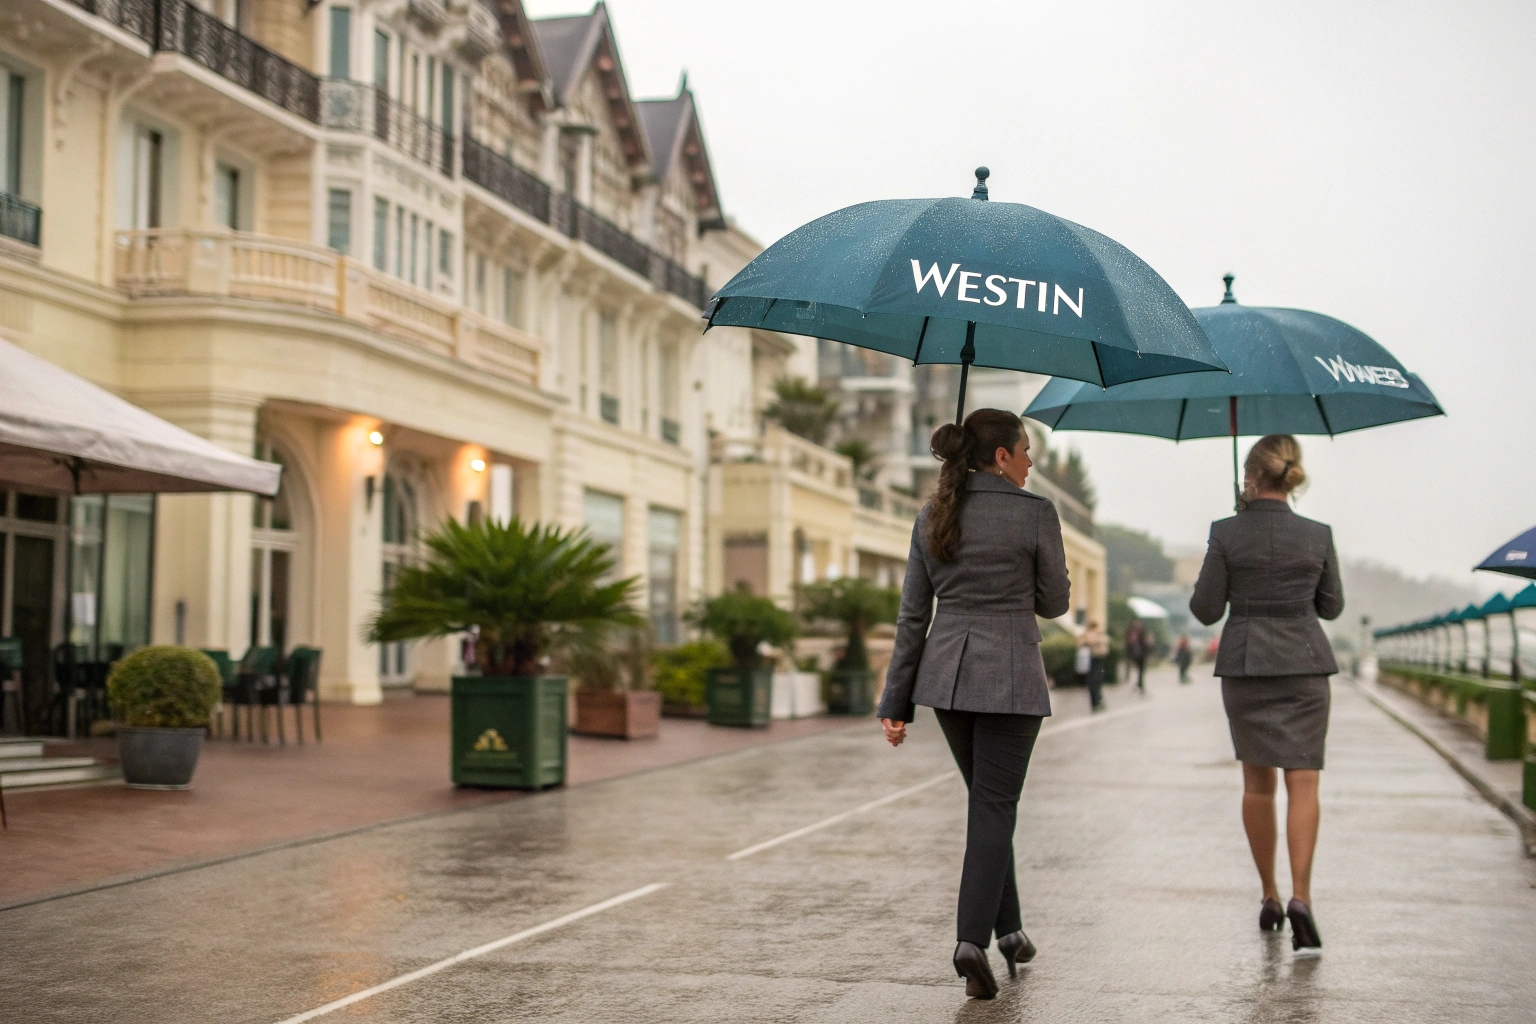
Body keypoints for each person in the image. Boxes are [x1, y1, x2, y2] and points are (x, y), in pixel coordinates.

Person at [878, 409, 1071, 1001]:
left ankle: (1009, 931)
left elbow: (915, 616)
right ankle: (970, 942)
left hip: (948, 681)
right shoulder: (1036, 513)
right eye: (1026, 450)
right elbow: (1055, 602)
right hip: (1011, 675)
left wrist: (897, 701)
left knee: (989, 804)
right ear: (1002, 456)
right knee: (994, 807)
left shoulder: (933, 513)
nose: (1032, 461)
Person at [1190, 434, 1343, 955]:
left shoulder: (1227, 532)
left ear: (1250, 477)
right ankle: (1302, 897)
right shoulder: (1318, 535)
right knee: (1304, 783)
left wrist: (1231, 536)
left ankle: (1270, 895)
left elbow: (1206, 610)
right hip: (1304, 666)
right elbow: (1332, 606)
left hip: (1248, 666)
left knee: (1258, 788)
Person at [1079, 620, 1108, 711]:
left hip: (1098, 659)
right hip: (1093, 660)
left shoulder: (1095, 635)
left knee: (1097, 681)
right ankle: (1096, 703)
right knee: (1094, 682)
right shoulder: (1089, 635)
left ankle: (1098, 701)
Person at [1125, 619, 1148, 693]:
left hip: (1141, 654)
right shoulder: (1132, 633)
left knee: (1141, 670)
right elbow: (1128, 644)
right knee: (1139, 670)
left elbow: (1146, 644)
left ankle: (1140, 684)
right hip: (1135, 654)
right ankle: (1139, 684)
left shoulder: (1142, 633)